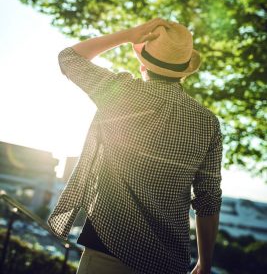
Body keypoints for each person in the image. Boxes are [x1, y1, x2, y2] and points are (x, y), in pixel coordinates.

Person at [47, 18, 223, 274]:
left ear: (144, 63)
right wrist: (204, 263)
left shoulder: (122, 91)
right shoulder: (208, 123)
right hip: (169, 263)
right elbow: (208, 199)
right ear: (184, 70)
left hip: (108, 249)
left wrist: (129, 34)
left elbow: (69, 58)